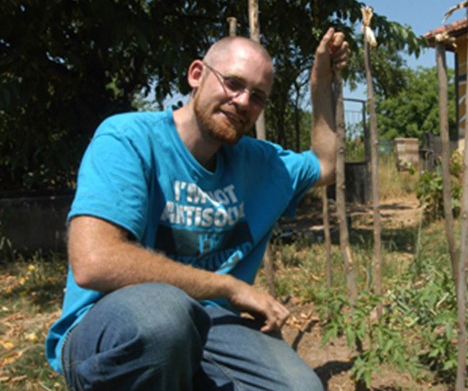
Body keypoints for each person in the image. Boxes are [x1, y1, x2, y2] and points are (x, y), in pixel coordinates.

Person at [45, 27, 349, 391]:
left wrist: (321, 81)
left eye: (257, 96)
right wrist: (230, 286)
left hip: (210, 323)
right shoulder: (128, 138)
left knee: (300, 388)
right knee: (164, 320)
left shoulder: (260, 164)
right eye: (233, 83)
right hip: (111, 325)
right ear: (196, 75)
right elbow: (94, 260)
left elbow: (326, 165)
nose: (242, 101)